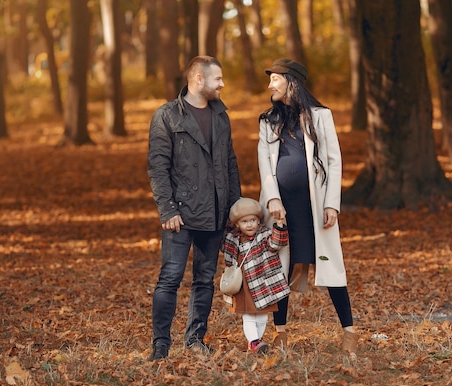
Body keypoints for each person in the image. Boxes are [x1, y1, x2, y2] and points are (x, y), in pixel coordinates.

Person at [257, 58, 358, 355]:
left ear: (292, 82)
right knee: (280, 269)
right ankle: (281, 334)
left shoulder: (321, 116)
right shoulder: (268, 121)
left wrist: (332, 204)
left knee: (331, 267)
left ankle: (349, 333)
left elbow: (334, 161)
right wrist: (273, 198)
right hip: (281, 208)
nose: (269, 85)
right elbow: (265, 164)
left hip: (315, 206)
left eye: (274, 79)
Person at [147, 56, 242, 361]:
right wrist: (167, 210)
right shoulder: (166, 116)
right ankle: (160, 344)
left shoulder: (220, 116)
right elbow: (157, 167)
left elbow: (229, 164)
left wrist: (234, 208)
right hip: (180, 215)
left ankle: (195, 340)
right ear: (199, 79)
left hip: (215, 212)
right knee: (170, 278)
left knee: (204, 279)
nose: (222, 84)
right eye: (218, 79)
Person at [221, 197, 290, 354]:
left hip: (262, 283)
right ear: (237, 224)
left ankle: (256, 343)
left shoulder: (264, 234)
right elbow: (225, 250)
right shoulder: (232, 239)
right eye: (244, 221)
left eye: (253, 220)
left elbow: (277, 243)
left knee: (262, 316)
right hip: (244, 285)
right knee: (249, 316)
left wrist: (279, 224)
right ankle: (253, 342)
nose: (250, 224)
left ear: (258, 220)